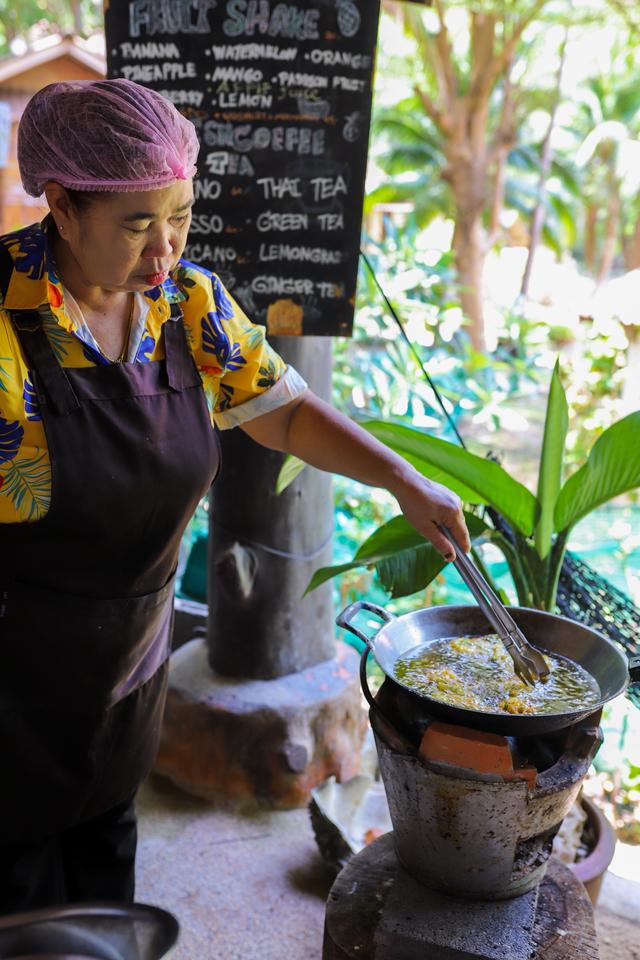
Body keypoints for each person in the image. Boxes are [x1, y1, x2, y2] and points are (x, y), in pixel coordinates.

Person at [0, 78, 470, 914]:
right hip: (15, 665)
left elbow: (281, 411)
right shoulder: (5, 317)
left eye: (179, 216)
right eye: (138, 224)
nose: (165, 249)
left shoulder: (186, 305)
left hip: (128, 663)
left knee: (106, 856)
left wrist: (403, 479)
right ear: (63, 206)